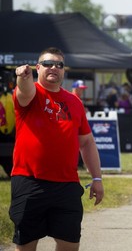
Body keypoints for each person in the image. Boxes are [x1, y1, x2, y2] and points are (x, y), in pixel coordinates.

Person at [9, 47, 104, 251]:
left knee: (70, 245)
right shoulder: (31, 94)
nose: (54, 67)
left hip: (67, 185)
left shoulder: (74, 102)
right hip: (29, 182)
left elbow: (87, 142)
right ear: (37, 68)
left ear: (64, 70)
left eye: (59, 65)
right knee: (26, 245)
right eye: (48, 64)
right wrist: (23, 76)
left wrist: (97, 179)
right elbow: (25, 89)